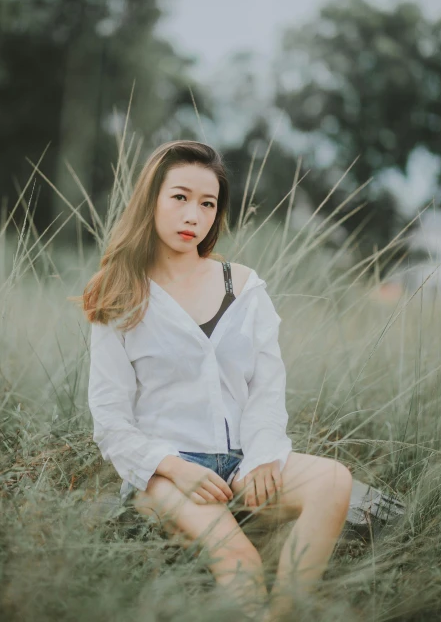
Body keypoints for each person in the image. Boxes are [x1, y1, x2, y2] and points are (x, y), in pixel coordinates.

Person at [83, 140, 352, 620]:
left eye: (208, 204)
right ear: (152, 200)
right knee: (240, 559)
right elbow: (110, 420)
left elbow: (267, 387)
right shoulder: (119, 293)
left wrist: (265, 456)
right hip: (167, 475)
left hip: (243, 464)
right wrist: (174, 467)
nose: (194, 215)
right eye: (180, 197)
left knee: (333, 480)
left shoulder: (243, 287)